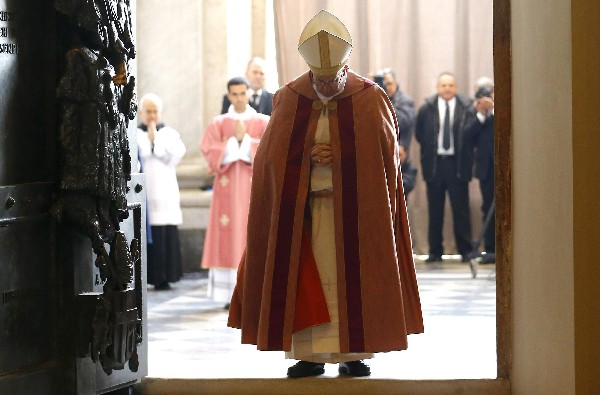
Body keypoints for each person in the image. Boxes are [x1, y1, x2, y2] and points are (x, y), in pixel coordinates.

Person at [227, 10, 423, 378]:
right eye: (321, 78)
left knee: (354, 281)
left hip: (356, 215)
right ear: (311, 72)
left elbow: (386, 159)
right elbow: (269, 161)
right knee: (307, 281)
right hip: (307, 214)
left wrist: (343, 154)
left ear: (345, 68)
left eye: (334, 78)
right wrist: (304, 158)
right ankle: (309, 356)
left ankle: (354, 352)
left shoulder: (370, 97)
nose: (328, 85)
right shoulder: (288, 97)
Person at [201, 77, 269, 307]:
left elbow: (271, 151)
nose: (239, 98)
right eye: (235, 94)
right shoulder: (218, 123)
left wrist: (245, 141)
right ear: (228, 96)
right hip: (226, 193)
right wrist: (235, 143)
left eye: (243, 93)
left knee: (253, 234)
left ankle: (255, 293)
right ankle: (229, 295)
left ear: (249, 93)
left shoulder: (263, 121)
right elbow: (208, 150)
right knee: (229, 237)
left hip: (254, 190)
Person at [415, 72, 475, 263]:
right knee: (435, 210)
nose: (447, 89)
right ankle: (435, 251)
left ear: (456, 88)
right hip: (435, 165)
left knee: (461, 210)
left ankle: (465, 250)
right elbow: (419, 134)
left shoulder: (466, 107)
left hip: (458, 165)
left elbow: (470, 136)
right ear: (437, 88)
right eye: (443, 85)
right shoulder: (427, 108)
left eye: (450, 85)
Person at [137, 93, 186, 290]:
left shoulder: (170, 134)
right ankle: (151, 276)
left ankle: (168, 276)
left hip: (166, 192)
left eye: (155, 111)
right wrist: (149, 141)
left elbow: (174, 157)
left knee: (166, 233)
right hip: (147, 193)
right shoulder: (135, 134)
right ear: (141, 112)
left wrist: (155, 140)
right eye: (148, 111)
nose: (152, 115)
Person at [466, 77, 495, 262]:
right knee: (488, 209)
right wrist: (481, 114)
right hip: (486, 170)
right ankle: (491, 250)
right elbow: (466, 136)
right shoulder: (475, 112)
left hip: (505, 167)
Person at [381, 68, 416, 150]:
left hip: (398, 148)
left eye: (389, 84)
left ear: (396, 84)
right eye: (384, 84)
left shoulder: (405, 100)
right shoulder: (375, 99)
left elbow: (400, 122)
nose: (386, 87)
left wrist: (383, 102)